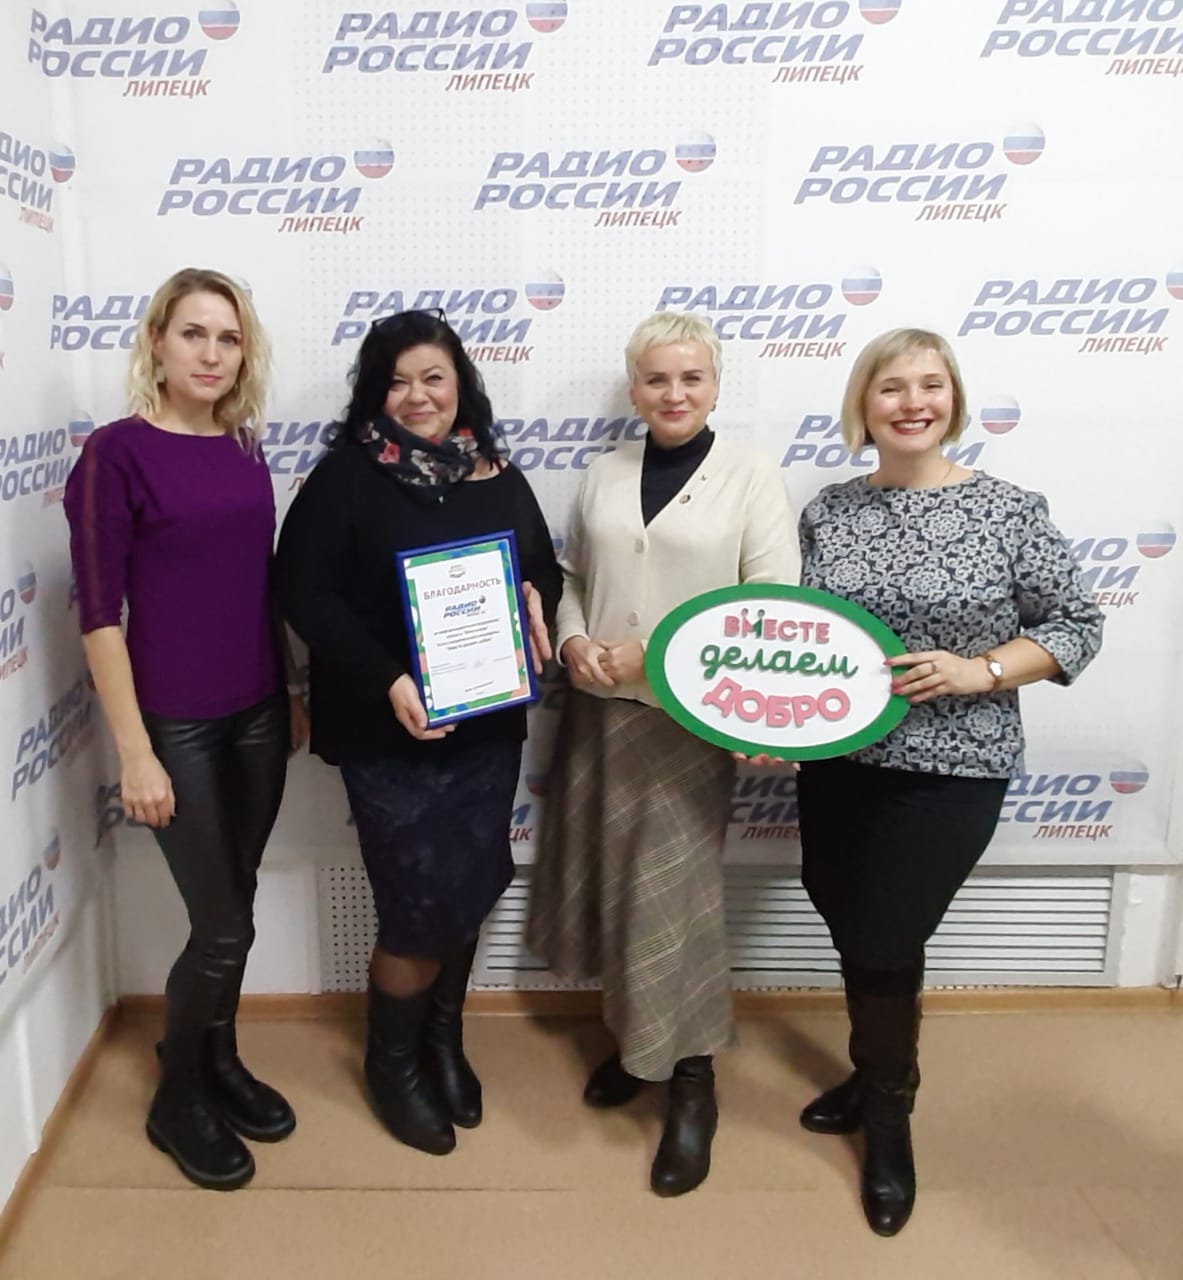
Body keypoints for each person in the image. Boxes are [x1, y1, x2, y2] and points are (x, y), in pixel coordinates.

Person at [794, 327, 1103, 1236]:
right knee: (845, 913)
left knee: (886, 933)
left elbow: (1076, 623)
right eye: (891, 387)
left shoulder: (1007, 510)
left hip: (953, 763)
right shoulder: (828, 511)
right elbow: (797, 636)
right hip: (838, 763)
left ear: (953, 401)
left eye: (930, 385)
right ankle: (875, 1071)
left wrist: (983, 670)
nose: (912, 403)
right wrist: (768, 722)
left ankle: (888, 1121)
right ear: (864, 405)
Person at [525, 311, 801, 1197]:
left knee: (674, 898)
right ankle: (636, 1045)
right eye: (656, 378)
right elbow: (574, 580)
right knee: (613, 885)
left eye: (690, 377)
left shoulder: (750, 475)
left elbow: (770, 601)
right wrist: (574, 642)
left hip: (691, 722)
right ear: (633, 387)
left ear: (714, 385)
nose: (673, 393)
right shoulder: (605, 472)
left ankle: (691, 1080)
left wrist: (651, 654)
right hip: (598, 715)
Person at [274, 309, 559, 1157]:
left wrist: (536, 596)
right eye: (397, 381)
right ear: (375, 392)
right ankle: (391, 1062)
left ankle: (442, 1039)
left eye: (433, 378)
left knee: (468, 886)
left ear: (460, 383)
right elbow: (303, 592)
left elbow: (539, 566)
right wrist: (389, 678)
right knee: (415, 904)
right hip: (387, 729)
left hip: (484, 727)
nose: (417, 396)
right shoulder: (346, 477)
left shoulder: (495, 474)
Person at [63, 268, 307, 1191]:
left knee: (234, 903)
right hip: (177, 726)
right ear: (157, 342)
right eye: (194, 333)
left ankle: (215, 1057)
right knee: (220, 925)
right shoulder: (114, 455)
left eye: (228, 338)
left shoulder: (244, 449)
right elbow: (99, 616)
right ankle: (177, 1098)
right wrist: (135, 752)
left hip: (257, 712)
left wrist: (288, 688)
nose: (211, 353)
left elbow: (259, 585)